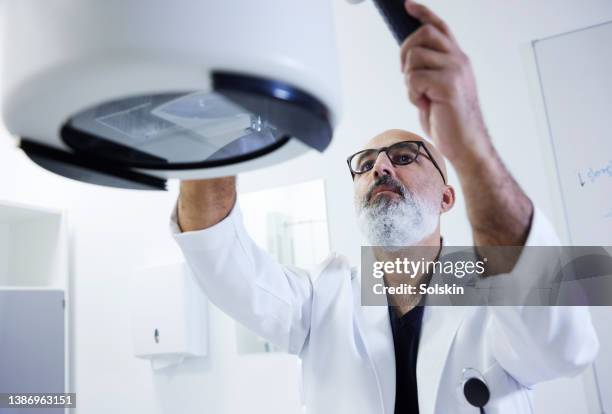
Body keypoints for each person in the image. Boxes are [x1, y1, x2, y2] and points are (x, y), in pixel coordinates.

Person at [170, 1, 599, 413]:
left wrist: (469, 145)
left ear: (447, 198)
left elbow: (562, 348)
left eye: (405, 156)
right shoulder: (324, 296)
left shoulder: (488, 294)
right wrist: (218, 115)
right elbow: (223, 262)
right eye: (363, 164)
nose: (379, 166)